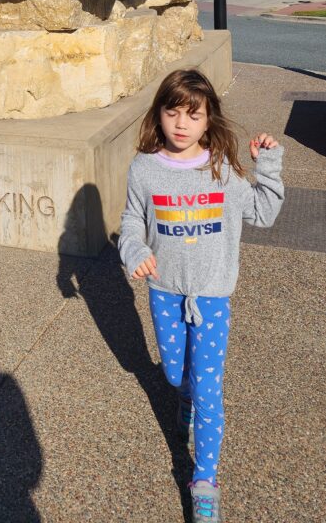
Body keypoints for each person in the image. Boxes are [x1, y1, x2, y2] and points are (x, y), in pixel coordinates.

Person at [118, 69, 284, 523]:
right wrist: (132, 247)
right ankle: (184, 396)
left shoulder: (223, 169)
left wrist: (267, 166)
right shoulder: (145, 168)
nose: (181, 123)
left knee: (210, 387)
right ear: (159, 115)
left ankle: (205, 479)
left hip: (211, 295)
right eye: (172, 112)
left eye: (193, 114)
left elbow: (264, 213)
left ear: (208, 119)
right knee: (176, 374)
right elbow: (133, 220)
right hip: (164, 291)